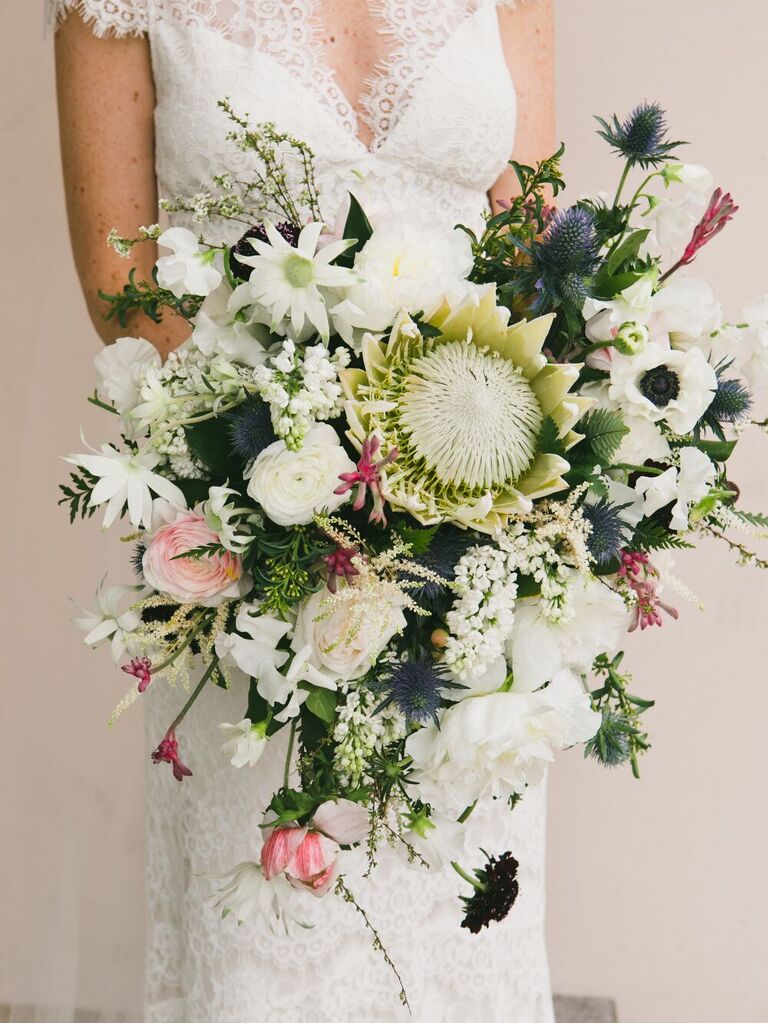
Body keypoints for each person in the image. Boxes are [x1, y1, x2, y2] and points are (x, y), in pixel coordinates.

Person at [52, 2, 557, 1020]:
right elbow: (121, 281)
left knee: (461, 907)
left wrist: (488, 463)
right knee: (272, 918)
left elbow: (535, 231)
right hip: (260, 534)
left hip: (476, 535)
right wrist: (301, 443)